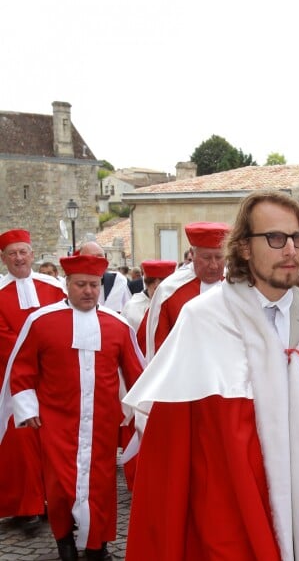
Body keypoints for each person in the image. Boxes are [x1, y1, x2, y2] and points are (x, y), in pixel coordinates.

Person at [123, 190, 299, 560]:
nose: (290, 251)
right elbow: (172, 442)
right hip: (232, 507)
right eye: (275, 238)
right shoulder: (205, 318)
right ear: (244, 248)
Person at [0, 254, 145, 561]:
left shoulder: (117, 325)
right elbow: (22, 370)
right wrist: (28, 410)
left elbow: (137, 374)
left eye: (93, 285)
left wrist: (143, 413)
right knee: (59, 485)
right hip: (56, 421)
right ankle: (64, 540)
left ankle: (97, 547)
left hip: (103, 424)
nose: (88, 291)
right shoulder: (40, 322)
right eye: (80, 285)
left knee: (101, 485)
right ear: (67, 284)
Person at [0, 229, 65, 535]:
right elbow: (4, 339)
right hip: (12, 381)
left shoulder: (53, 288)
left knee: (53, 441)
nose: (18, 258)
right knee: (21, 442)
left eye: (23, 252)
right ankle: (27, 506)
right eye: (12, 253)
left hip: (53, 378)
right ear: (4, 259)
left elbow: (65, 323)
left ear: (32, 253)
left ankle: (56, 502)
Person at [145, 221, 229, 358]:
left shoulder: (238, 286)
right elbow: (157, 350)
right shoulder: (168, 291)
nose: (214, 266)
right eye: (206, 258)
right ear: (192, 254)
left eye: (219, 257)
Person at [122, 260, 176, 355]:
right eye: (151, 283)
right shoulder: (132, 306)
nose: (156, 287)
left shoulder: (175, 304)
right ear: (146, 283)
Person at [78, 242, 131, 312]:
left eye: (99, 257)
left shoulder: (117, 282)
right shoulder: (72, 286)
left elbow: (128, 312)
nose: (96, 261)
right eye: (90, 258)